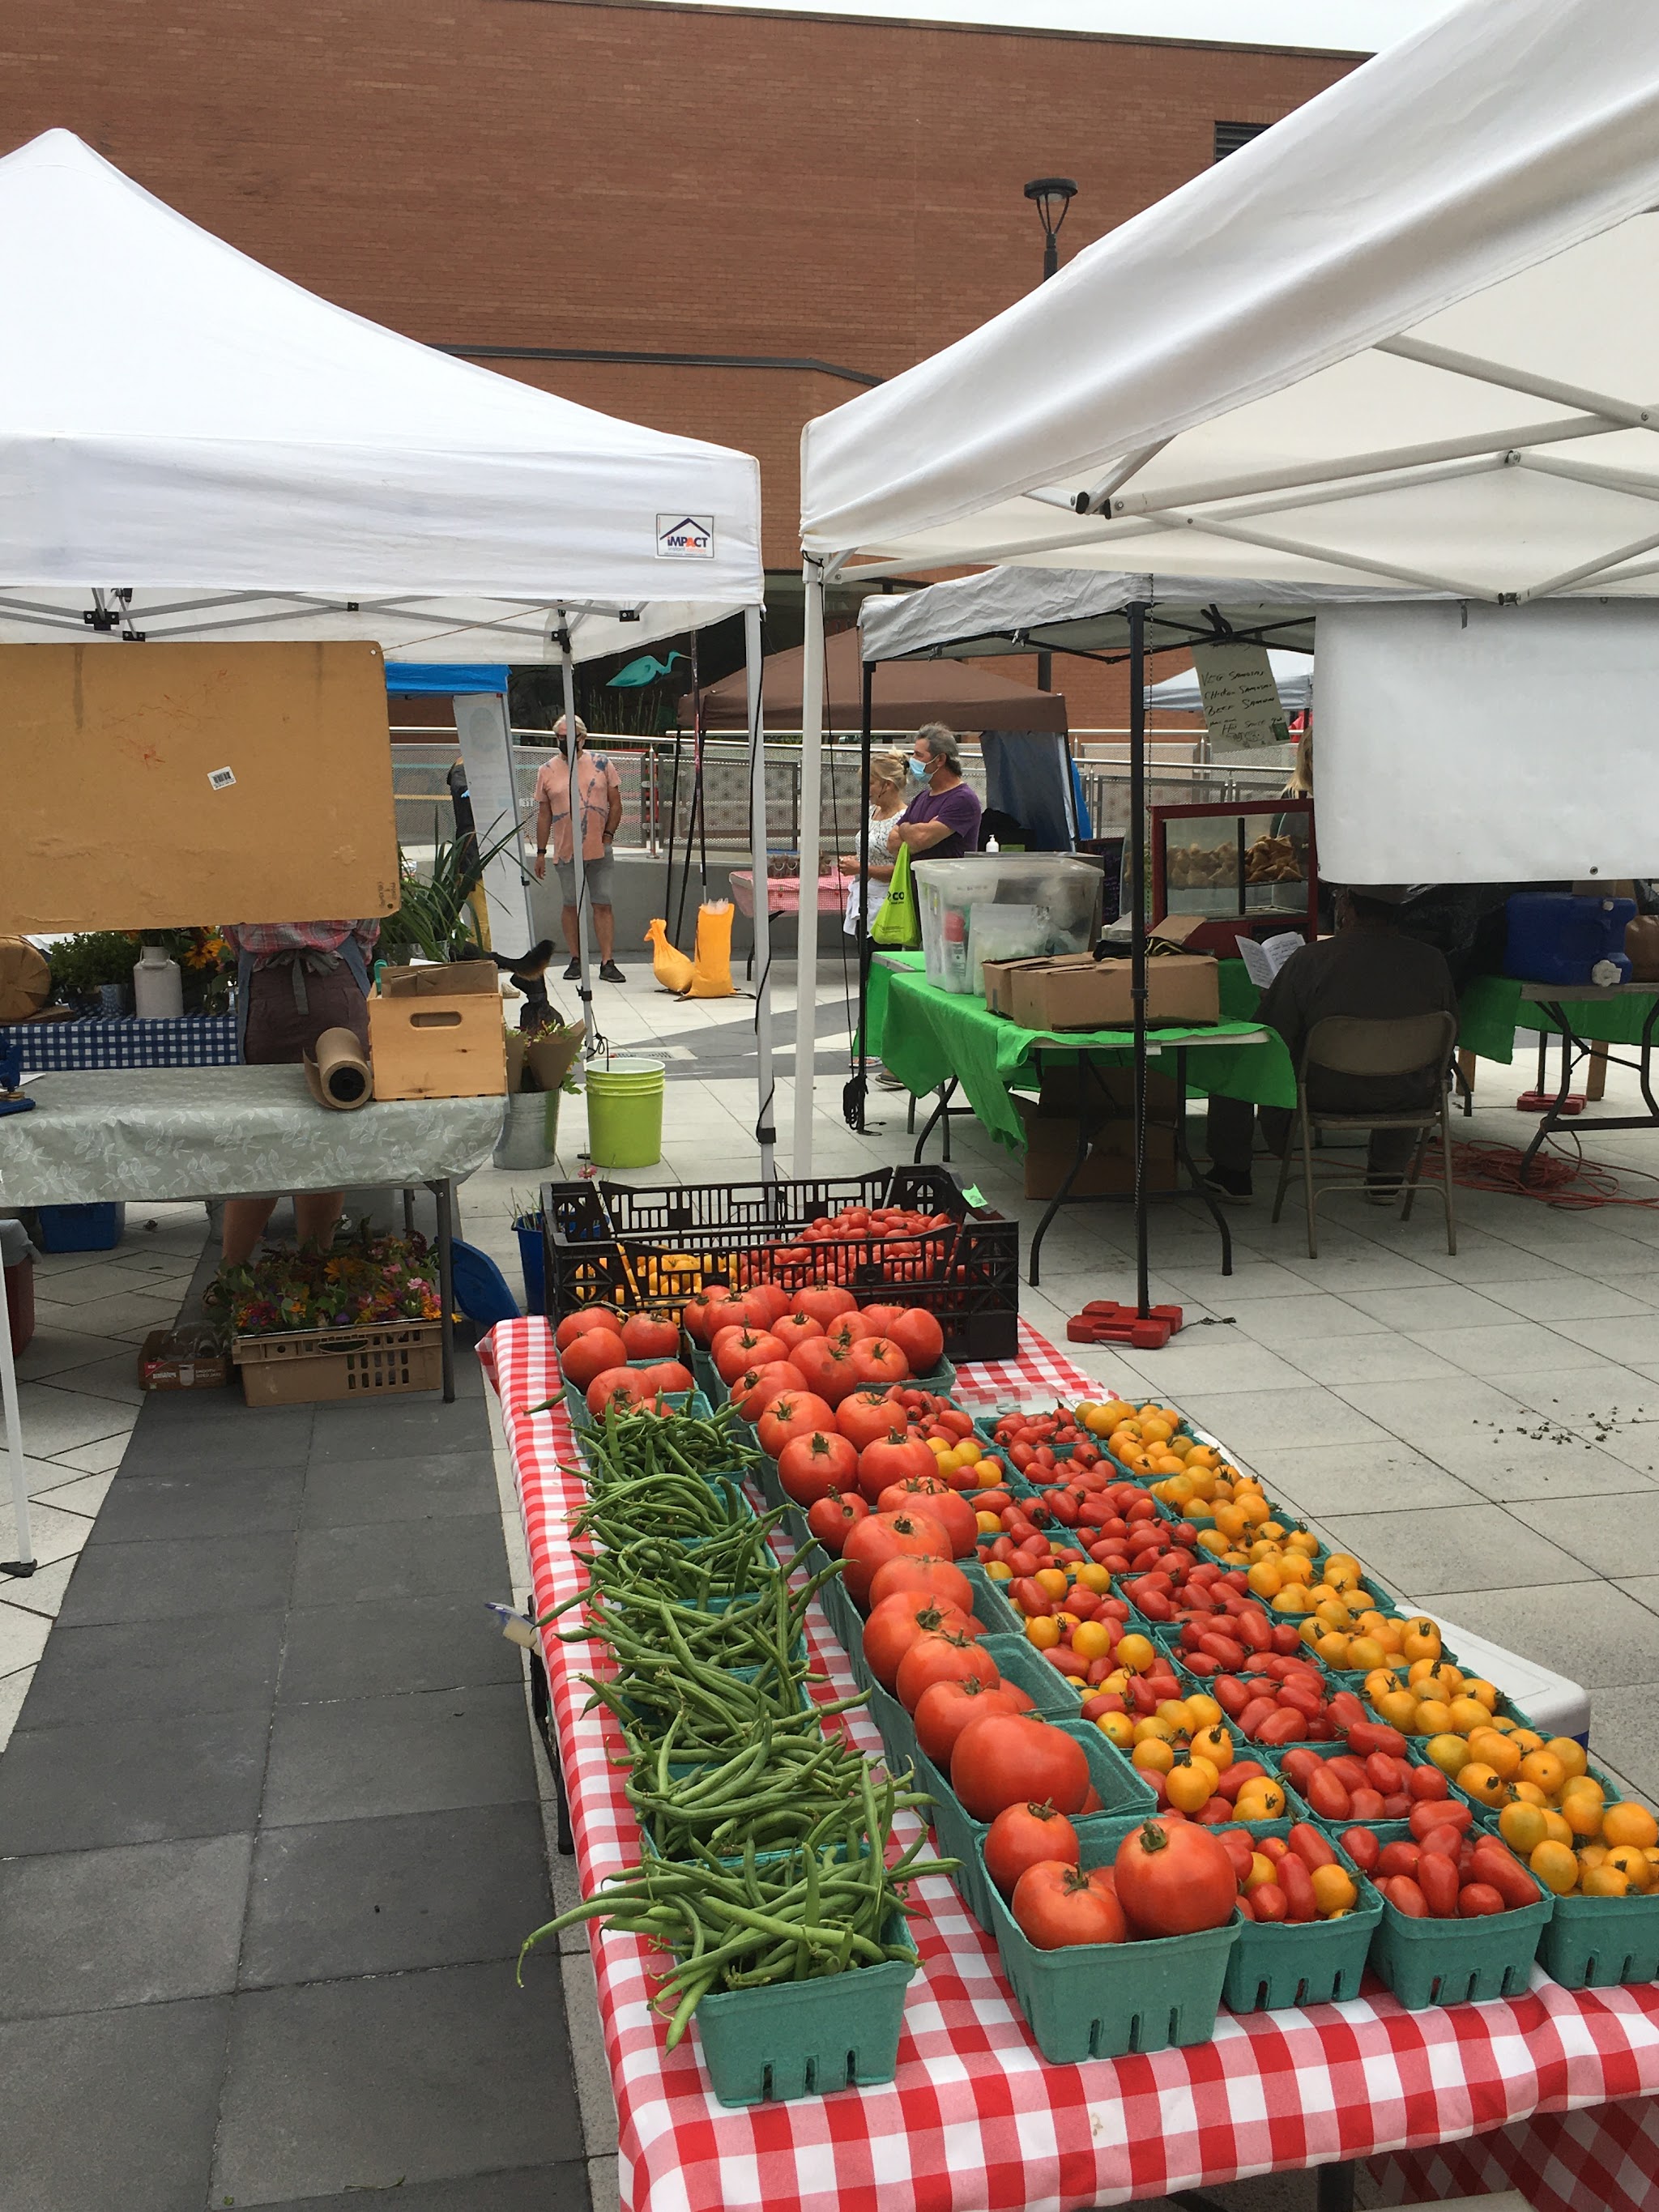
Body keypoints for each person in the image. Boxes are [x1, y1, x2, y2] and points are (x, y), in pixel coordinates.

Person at [1205, 886, 1458, 1203]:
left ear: (1347, 907)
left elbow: (1271, 1033)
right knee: (1415, 1064)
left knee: (1234, 1056)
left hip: (1324, 1091)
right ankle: (1387, 1174)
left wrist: (1273, 999)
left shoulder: (1310, 960)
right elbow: (1448, 1037)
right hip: (1408, 1095)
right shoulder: (1432, 962)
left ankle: (1233, 1173)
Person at [219, 917, 379, 1266]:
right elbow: (369, 913)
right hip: (337, 982)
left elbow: (230, 921)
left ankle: (231, 1276)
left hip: (268, 991)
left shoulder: (241, 859)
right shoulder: (340, 857)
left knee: (260, 1137)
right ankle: (315, 1269)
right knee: (329, 1132)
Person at [531, 715, 625, 983]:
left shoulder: (601, 763)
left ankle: (607, 961)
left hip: (598, 847)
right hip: (566, 849)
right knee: (571, 904)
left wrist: (608, 834)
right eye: (560, 737)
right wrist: (540, 852)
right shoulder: (546, 770)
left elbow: (616, 803)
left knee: (602, 903)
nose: (564, 742)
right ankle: (576, 958)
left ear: (582, 737)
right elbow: (543, 814)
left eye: (569, 737)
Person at [892, 723, 983, 861]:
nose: (913, 761)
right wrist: (916, 830)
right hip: (918, 881)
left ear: (940, 759)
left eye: (919, 755)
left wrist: (904, 829)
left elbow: (919, 840)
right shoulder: (921, 797)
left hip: (947, 881)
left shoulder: (962, 799)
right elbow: (892, 843)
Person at [838, 749, 910, 919]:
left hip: (889, 902)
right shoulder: (872, 811)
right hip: (864, 897)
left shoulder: (904, 820)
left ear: (888, 784)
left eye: (870, 783)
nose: (865, 789)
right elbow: (876, 851)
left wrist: (861, 868)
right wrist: (856, 858)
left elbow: (902, 869)